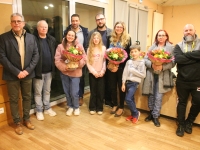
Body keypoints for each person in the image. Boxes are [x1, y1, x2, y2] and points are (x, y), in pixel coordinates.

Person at [0, 13, 39, 135]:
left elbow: (36, 55)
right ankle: (17, 122)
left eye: (18, 21)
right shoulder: (3, 38)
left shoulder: (31, 38)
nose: (16, 23)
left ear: (23, 23)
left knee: (27, 97)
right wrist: (17, 72)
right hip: (12, 75)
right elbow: (2, 57)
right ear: (11, 23)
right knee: (13, 99)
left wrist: (27, 70)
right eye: (13, 21)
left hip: (28, 74)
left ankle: (26, 119)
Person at [142, 30, 175, 127]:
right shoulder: (152, 47)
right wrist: (152, 65)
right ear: (157, 37)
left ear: (166, 37)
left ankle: (156, 116)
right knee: (151, 95)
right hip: (151, 74)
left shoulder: (170, 48)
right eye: (159, 35)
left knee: (158, 96)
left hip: (162, 75)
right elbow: (145, 59)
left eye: (163, 35)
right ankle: (151, 113)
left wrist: (162, 67)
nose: (160, 37)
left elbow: (173, 63)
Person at [174, 24, 200, 137]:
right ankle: (181, 124)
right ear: (183, 32)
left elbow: (183, 58)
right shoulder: (178, 45)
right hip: (182, 80)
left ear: (195, 31)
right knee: (182, 102)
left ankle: (189, 122)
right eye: (186, 30)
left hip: (198, 80)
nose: (188, 32)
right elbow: (178, 59)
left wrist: (186, 56)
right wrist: (195, 58)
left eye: (190, 30)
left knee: (198, 101)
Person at [55, 29, 86, 116]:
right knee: (67, 91)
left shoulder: (79, 46)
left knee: (74, 92)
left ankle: (76, 107)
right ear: (66, 35)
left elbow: (84, 57)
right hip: (65, 73)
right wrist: (65, 67)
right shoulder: (60, 46)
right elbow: (57, 60)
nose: (70, 37)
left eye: (72, 35)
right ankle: (70, 106)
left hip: (76, 73)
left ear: (75, 37)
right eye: (69, 35)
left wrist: (77, 64)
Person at [33, 20, 57, 121]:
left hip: (49, 71)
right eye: (41, 27)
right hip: (38, 71)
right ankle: (39, 110)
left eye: (45, 27)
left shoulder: (52, 39)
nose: (44, 29)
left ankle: (47, 108)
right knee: (38, 92)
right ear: (37, 28)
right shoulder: (33, 40)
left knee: (47, 91)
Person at [107, 21, 132, 117]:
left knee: (121, 87)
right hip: (111, 67)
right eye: (117, 27)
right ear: (114, 28)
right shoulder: (110, 38)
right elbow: (107, 52)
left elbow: (128, 55)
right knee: (112, 87)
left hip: (122, 67)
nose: (119, 29)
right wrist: (112, 64)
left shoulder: (128, 39)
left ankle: (121, 107)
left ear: (123, 29)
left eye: (121, 27)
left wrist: (118, 65)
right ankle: (114, 104)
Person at [88, 13, 113, 108]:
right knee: (95, 87)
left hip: (106, 62)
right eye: (98, 19)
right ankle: (96, 103)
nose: (100, 21)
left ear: (105, 19)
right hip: (94, 63)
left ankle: (106, 101)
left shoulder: (111, 32)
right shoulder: (91, 33)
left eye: (101, 19)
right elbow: (88, 46)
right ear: (96, 21)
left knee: (106, 84)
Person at [63, 14, 88, 106]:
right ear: (71, 21)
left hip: (81, 58)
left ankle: (80, 96)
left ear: (79, 21)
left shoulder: (84, 31)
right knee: (69, 80)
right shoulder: (67, 31)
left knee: (81, 79)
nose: (74, 22)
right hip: (69, 59)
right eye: (73, 21)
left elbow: (86, 44)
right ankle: (71, 98)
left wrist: (82, 60)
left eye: (76, 20)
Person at [122, 43, 146, 123]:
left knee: (128, 99)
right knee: (131, 99)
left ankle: (136, 113)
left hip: (134, 83)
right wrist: (123, 83)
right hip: (128, 83)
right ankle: (133, 115)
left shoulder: (142, 62)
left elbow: (143, 75)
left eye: (135, 51)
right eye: (132, 52)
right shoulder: (129, 62)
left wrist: (133, 71)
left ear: (139, 52)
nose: (133, 53)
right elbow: (125, 72)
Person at [87, 32, 106, 115]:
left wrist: (102, 71)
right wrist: (94, 72)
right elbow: (88, 62)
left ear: (100, 39)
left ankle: (99, 108)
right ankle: (92, 107)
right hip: (92, 73)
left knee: (100, 91)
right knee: (93, 91)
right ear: (92, 39)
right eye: (94, 38)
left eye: (97, 38)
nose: (96, 40)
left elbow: (105, 61)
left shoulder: (103, 48)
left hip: (101, 73)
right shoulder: (89, 49)